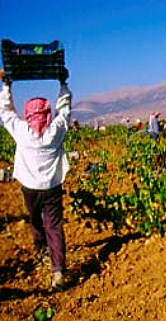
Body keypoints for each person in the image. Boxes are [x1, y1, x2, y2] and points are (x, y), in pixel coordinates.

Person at [0, 75, 72, 291]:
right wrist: (63, 84)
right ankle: (57, 270)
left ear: (28, 114)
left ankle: (41, 252)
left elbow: (6, 112)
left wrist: (7, 85)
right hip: (51, 186)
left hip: (30, 187)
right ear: (47, 114)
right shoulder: (55, 130)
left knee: (35, 220)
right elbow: (65, 109)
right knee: (55, 226)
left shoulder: (22, 132)